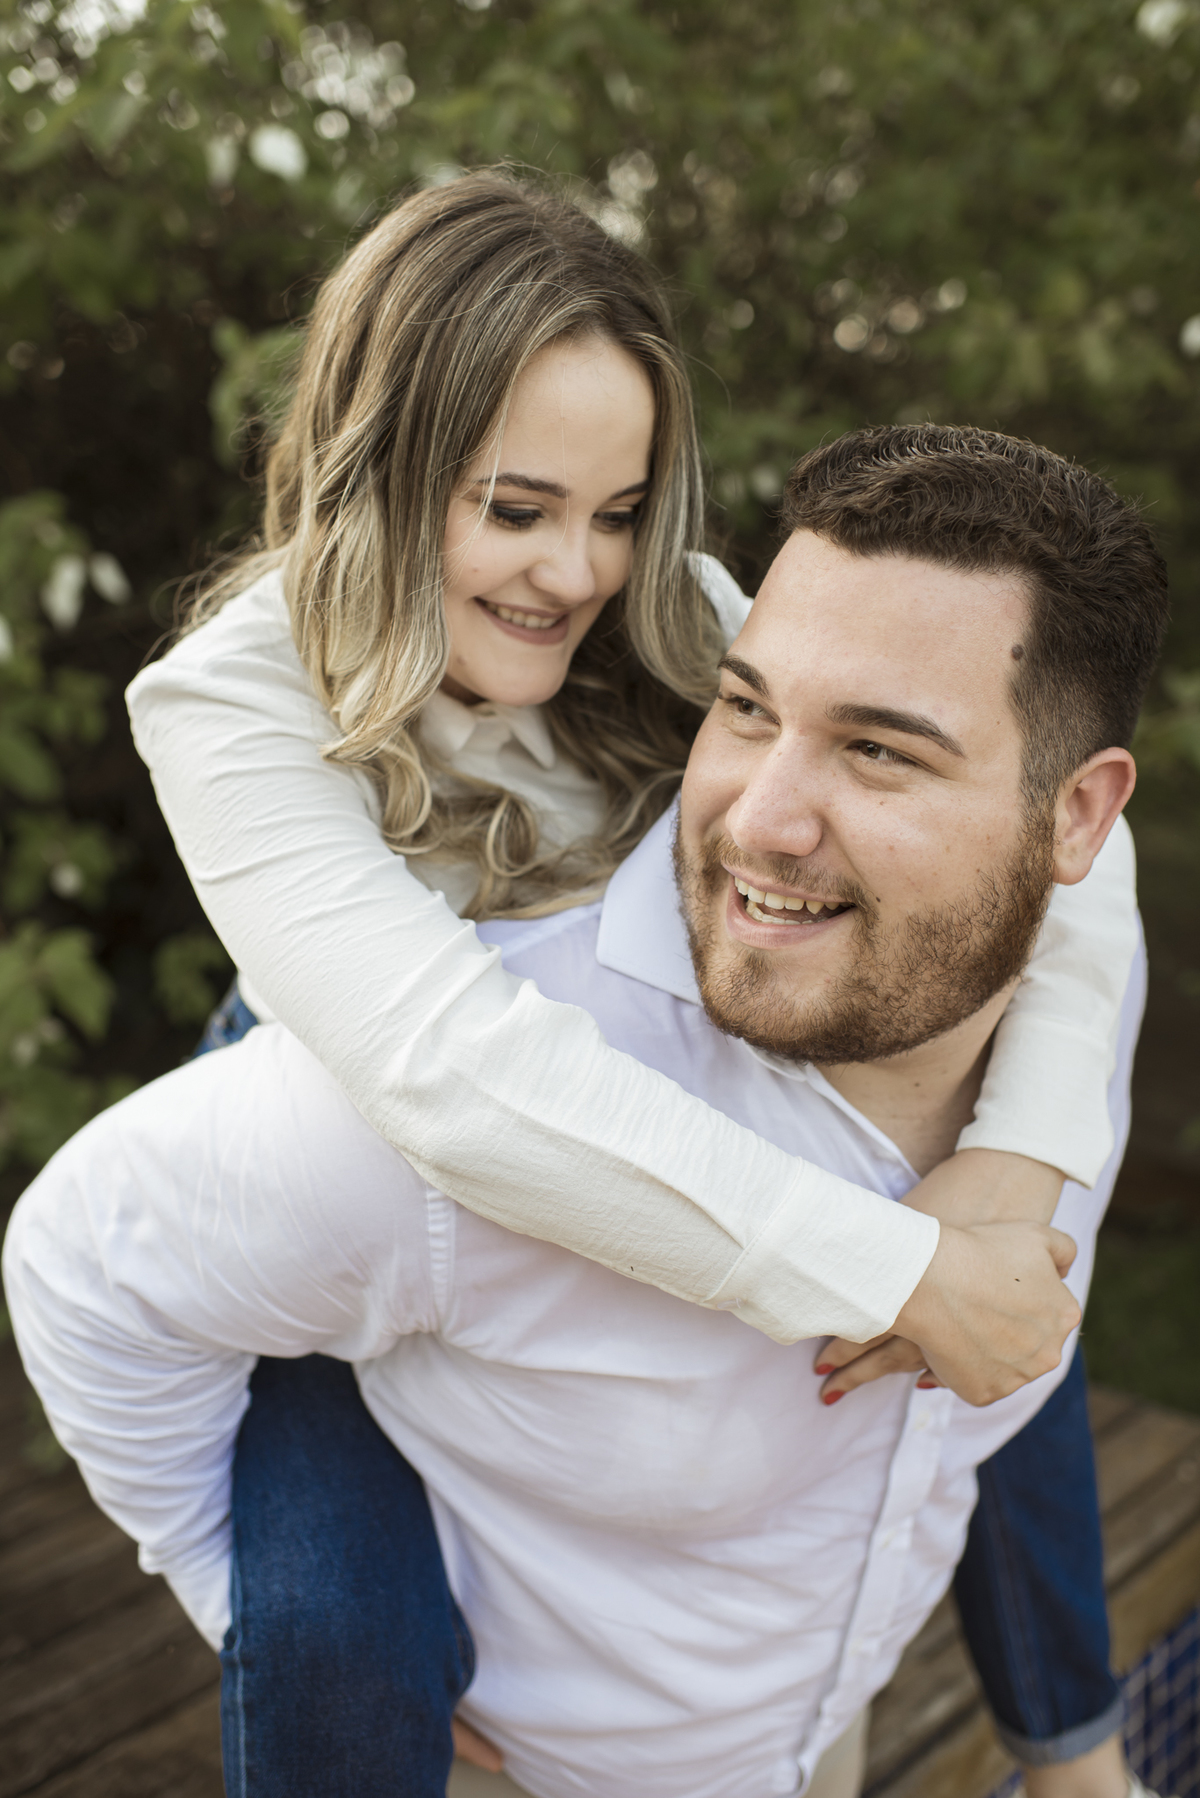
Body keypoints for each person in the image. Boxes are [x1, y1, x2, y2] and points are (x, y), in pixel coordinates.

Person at [125, 173, 1138, 1795]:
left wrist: (1008, 1171)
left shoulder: (680, 619)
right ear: (379, 469)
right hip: (355, 1130)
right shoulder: (223, 704)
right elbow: (443, 1081)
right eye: (515, 509)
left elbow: (1052, 862)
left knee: (1008, 1281)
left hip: (647, 1078)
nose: (574, 574)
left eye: (617, 510)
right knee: (330, 1636)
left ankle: (1076, 1748)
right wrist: (892, 1262)